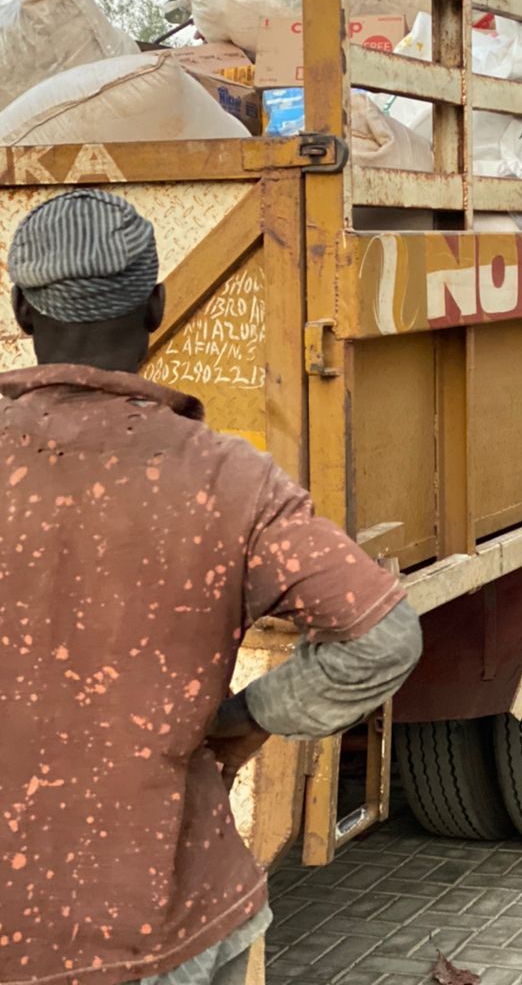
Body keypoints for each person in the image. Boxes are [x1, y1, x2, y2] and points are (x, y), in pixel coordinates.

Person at [0, 189, 422, 985]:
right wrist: (243, 718)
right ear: (157, 305)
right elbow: (384, 638)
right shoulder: (227, 476)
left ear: (22, 309)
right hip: (170, 914)